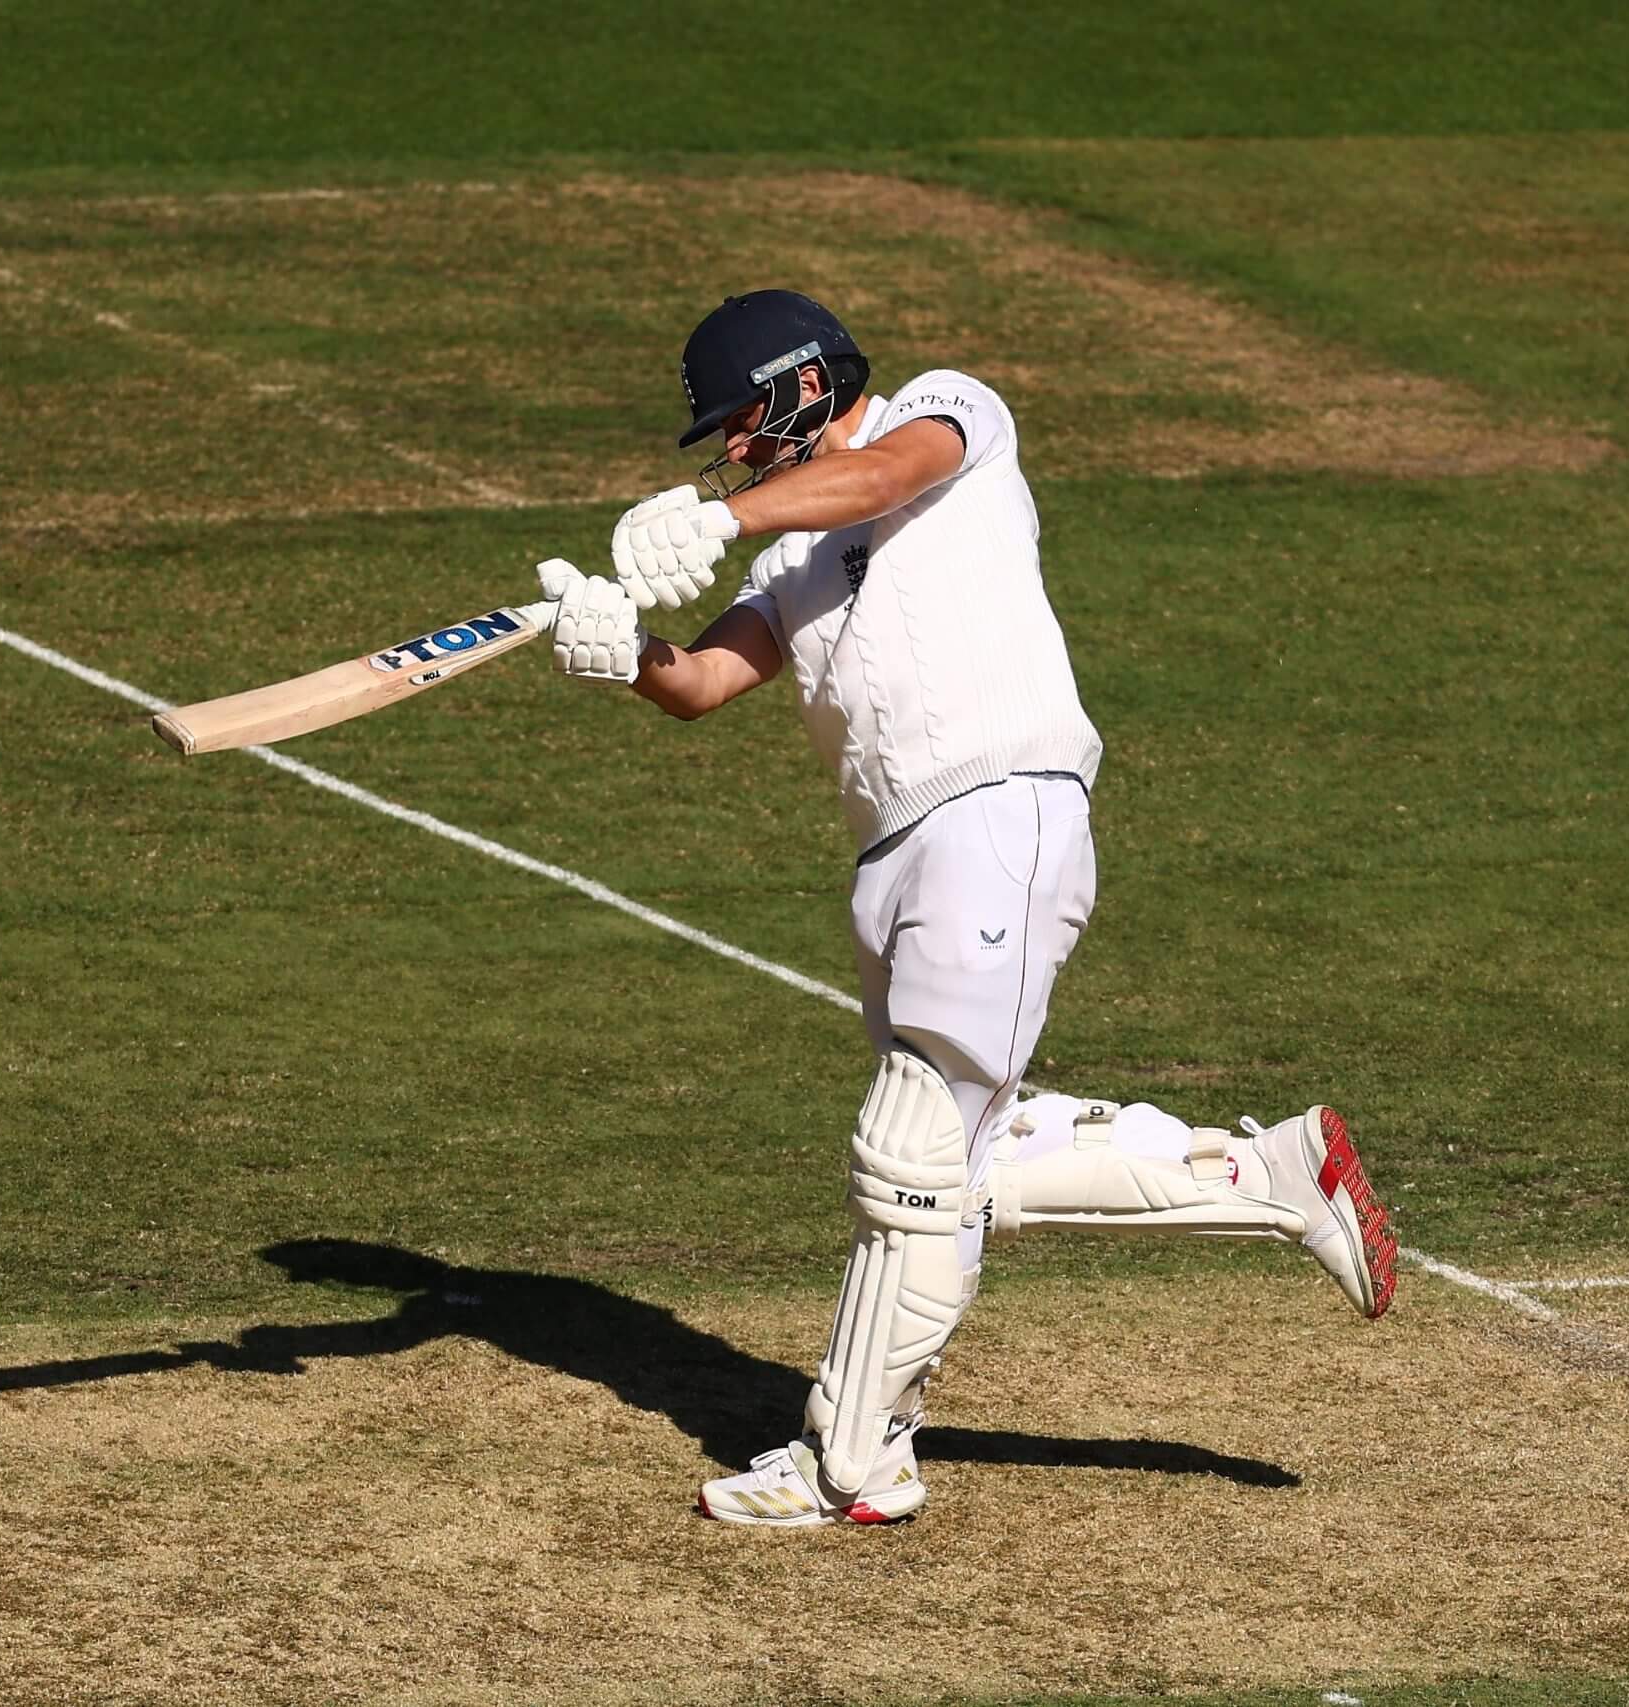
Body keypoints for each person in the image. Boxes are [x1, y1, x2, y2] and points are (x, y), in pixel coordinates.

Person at [530, 290, 1397, 1528]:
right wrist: (627, 654)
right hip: (897, 851)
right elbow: (708, 680)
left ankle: (854, 1467)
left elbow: (878, 474)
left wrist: (717, 515)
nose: (730, 449)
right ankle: (1271, 1171)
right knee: (958, 1157)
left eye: (738, 425)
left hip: (997, 810)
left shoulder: (949, 414)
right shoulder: (785, 557)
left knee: (911, 1153)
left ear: (802, 387)